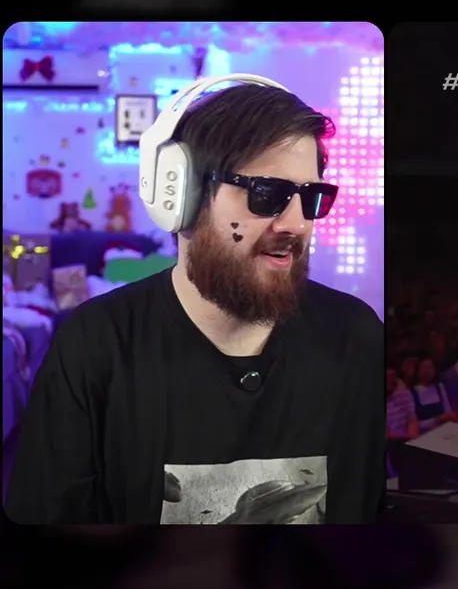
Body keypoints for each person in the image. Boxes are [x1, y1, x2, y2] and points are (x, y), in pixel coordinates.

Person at [6, 76, 384, 524]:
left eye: (312, 197)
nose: (297, 224)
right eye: (267, 194)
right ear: (182, 196)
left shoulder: (355, 338)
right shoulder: (95, 345)